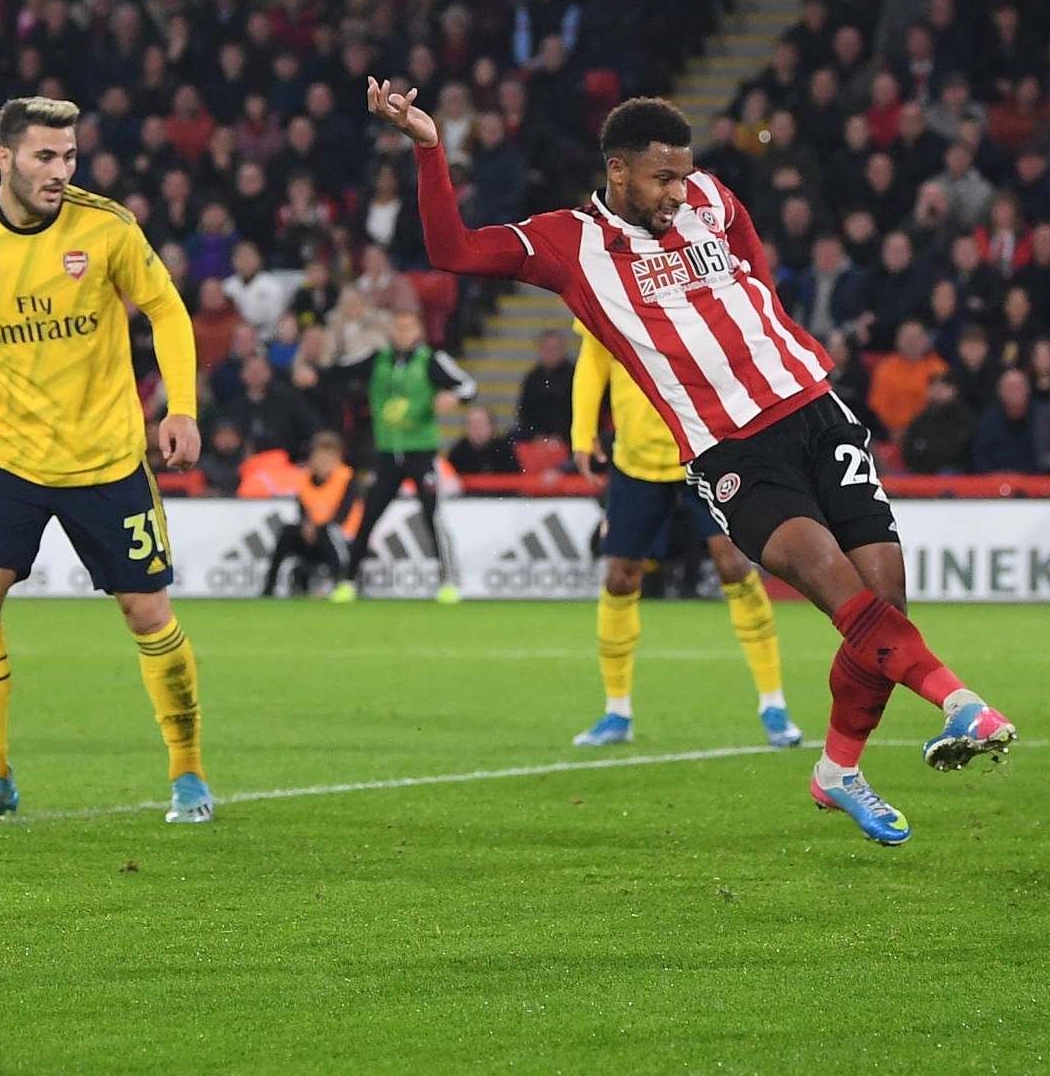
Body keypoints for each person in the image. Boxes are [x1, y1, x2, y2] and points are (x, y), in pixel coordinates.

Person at [370, 80, 1015, 845]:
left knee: (885, 611)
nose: (679, 192)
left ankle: (838, 774)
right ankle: (958, 701)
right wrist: (429, 147)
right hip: (731, 449)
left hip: (813, 407)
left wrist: (775, 340)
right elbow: (452, 249)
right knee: (846, 600)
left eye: (684, 174)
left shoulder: (707, 192)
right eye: (661, 178)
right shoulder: (566, 242)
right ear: (618, 171)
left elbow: (751, 261)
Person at [0, 96, 211, 825]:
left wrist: (183, 407)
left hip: (106, 458)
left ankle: (189, 775)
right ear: (4, 158)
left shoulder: (105, 226)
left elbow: (165, 307)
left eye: (70, 156)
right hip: (10, 458)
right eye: (46, 156)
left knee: (147, 613)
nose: (61, 171)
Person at [567, 324, 803, 752]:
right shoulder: (602, 282)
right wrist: (582, 433)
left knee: (733, 563)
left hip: (705, 447)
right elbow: (594, 358)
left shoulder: (685, 284)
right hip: (636, 458)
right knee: (621, 576)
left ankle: (774, 705)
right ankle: (616, 711)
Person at [325, 309, 477, 603]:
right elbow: (339, 371)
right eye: (398, 327)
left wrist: (455, 397)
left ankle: (448, 580)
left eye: (409, 328)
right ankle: (347, 581)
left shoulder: (431, 360)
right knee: (368, 516)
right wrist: (315, 366)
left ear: (418, 331)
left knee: (432, 515)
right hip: (387, 453)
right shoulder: (377, 359)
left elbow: (468, 385)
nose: (403, 333)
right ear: (391, 330)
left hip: (421, 452)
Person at [262, 431, 358, 598]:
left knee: (328, 532)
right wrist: (307, 526)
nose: (322, 461)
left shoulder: (346, 477)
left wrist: (318, 527)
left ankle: (340, 584)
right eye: (319, 455)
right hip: (313, 532)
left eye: (328, 456)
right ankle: (269, 587)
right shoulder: (304, 479)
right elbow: (303, 510)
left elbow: (343, 513)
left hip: (342, 535)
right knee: (288, 531)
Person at [515, 329, 575, 441]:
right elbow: (524, 410)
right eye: (546, 349)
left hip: (569, 436)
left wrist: (562, 435)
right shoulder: (532, 378)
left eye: (554, 349)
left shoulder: (575, 375)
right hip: (537, 437)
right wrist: (535, 435)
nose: (550, 354)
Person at [445, 405, 520, 477]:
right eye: (472, 424)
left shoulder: (504, 450)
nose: (476, 429)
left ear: (492, 426)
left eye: (480, 424)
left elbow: (514, 479)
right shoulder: (458, 452)